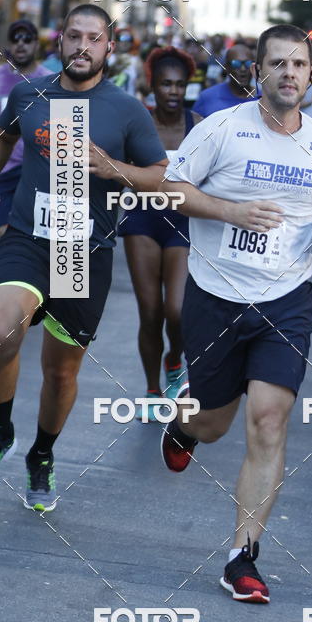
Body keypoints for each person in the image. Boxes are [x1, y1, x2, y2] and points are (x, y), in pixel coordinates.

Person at [161, 23, 312, 604]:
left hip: (286, 301)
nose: (289, 74)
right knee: (215, 423)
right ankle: (184, 424)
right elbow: (172, 189)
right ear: (258, 72)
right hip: (216, 295)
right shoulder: (221, 129)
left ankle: (241, 557)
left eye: (299, 66)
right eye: (278, 64)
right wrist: (229, 211)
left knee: (271, 421)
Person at [0, 3, 167, 512]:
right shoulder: (30, 93)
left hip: (82, 248)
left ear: (109, 47)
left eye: (93, 38)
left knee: (60, 373)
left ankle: (42, 455)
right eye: (73, 35)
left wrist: (112, 167)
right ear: (60, 42)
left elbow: (160, 174)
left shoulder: (125, 110)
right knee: (0, 332)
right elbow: (0, 135)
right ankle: (0, 428)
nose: (82, 45)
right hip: (28, 236)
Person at [118, 47, 202, 420]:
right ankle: (152, 391)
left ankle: (174, 358)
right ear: (152, 86)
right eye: (166, 84)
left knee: (178, 310)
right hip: (142, 219)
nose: (173, 91)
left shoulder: (199, 124)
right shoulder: (138, 121)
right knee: (150, 312)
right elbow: (114, 166)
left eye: (180, 85)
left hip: (183, 222)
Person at [0, 20, 51, 245]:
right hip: (3, 167)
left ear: (36, 45)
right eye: (15, 39)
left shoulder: (50, 80)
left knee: (36, 235)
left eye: (27, 39)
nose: (21, 44)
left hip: (37, 168)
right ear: (8, 44)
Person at [192, 43, 257, 116]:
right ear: (226, 68)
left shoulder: (264, 99)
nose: (243, 69)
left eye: (248, 63)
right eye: (236, 64)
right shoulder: (207, 97)